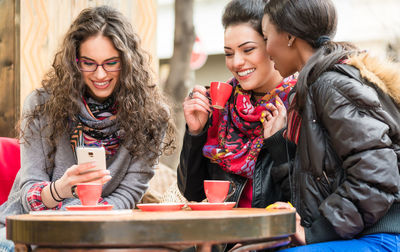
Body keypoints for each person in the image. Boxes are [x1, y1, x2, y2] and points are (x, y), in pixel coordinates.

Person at [0, 5, 174, 250]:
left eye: (111, 63)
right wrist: (61, 188)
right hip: (24, 229)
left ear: (127, 62)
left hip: (98, 231)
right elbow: (29, 196)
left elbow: (126, 197)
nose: (100, 74)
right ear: (74, 62)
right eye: (88, 63)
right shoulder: (42, 105)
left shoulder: (152, 118)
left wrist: (80, 224)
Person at [261, 0, 400, 250]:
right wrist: (280, 147)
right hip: (359, 233)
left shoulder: (330, 85)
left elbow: (377, 174)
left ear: (290, 36)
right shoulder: (318, 84)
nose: (267, 49)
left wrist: (317, 233)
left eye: (266, 36)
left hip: (380, 237)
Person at [177, 0, 296, 210]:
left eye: (248, 50)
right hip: (226, 238)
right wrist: (196, 133)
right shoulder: (221, 107)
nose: (236, 62)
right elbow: (191, 193)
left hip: (277, 236)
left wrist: (278, 143)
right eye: (229, 53)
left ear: (272, 45)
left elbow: (307, 199)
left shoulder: (299, 103)